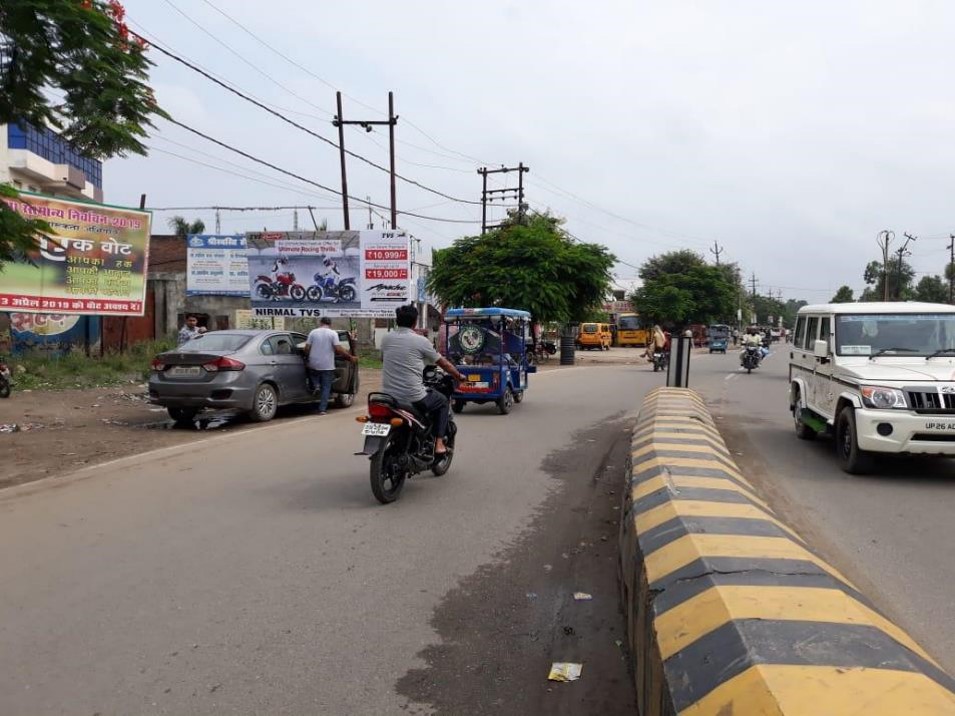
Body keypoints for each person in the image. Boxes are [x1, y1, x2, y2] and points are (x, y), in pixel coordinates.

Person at [381, 304, 465, 455]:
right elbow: (443, 363)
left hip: (388, 396)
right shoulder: (421, 341)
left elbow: (387, 358)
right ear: (415, 322)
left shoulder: (386, 339)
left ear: (397, 321)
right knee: (442, 402)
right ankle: (439, 444)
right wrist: (459, 376)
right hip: (413, 396)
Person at [304, 317, 357, 415]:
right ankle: (322, 409)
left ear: (320, 323)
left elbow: (307, 348)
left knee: (312, 373)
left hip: (313, 363)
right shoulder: (333, 334)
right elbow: (338, 349)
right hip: (327, 364)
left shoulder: (313, 332)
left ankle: (316, 385)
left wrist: (307, 357)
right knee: (326, 387)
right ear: (330, 324)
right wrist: (349, 357)